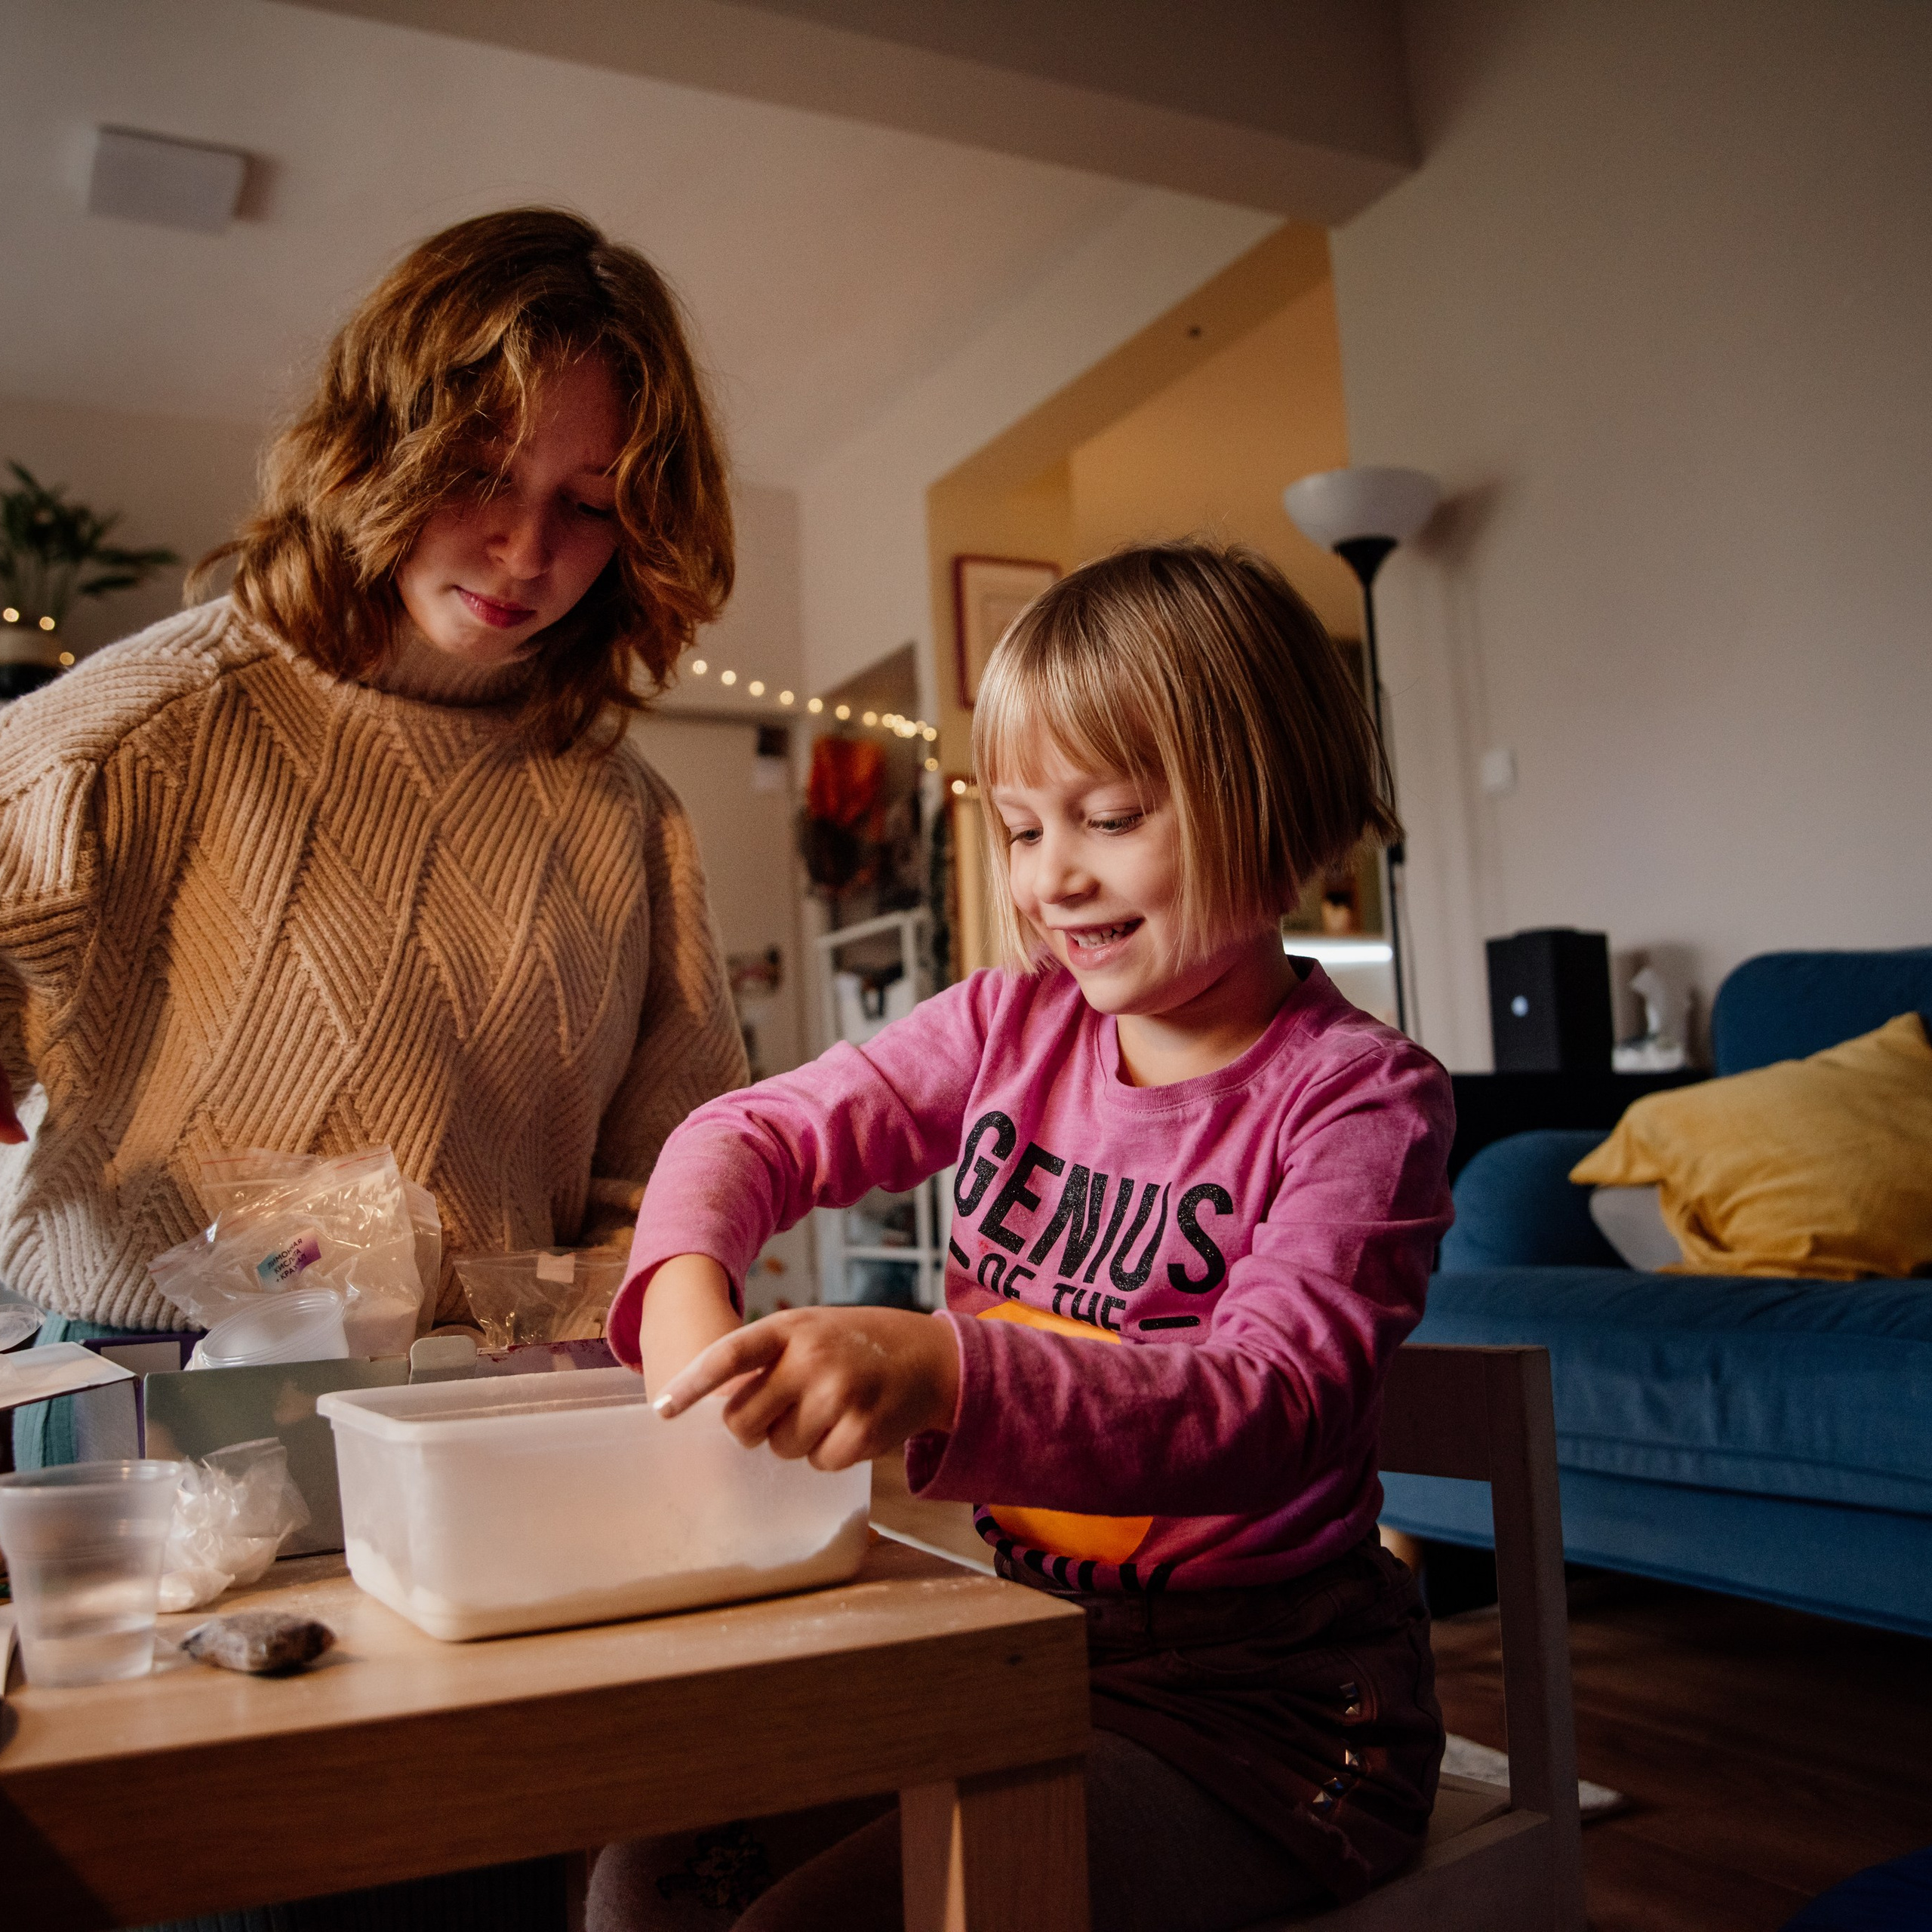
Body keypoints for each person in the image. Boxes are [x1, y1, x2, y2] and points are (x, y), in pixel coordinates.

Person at [592, 541, 1457, 1932]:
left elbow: (1276, 1402)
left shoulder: (1358, 1098)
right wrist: (691, 1314)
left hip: (1274, 1732)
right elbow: (739, 1136)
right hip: (1021, 1658)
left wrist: (945, 1370)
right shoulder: (1007, 1025)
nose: (1053, 877)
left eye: (1110, 816)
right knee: (648, 1877)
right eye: (1019, 827)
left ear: (1282, 806)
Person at [0, 208, 746, 1463]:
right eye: (479, 477)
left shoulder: (626, 813)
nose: (525, 551)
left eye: (589, 504)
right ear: (374, 449)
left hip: (504, 1420)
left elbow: (680, 1167)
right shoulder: (127, 739)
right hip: (137, 1418)